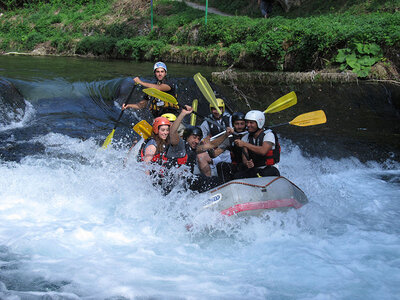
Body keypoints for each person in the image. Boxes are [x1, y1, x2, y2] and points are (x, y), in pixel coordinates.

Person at [168, 105, 234, 193]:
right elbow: (172, 131)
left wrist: (226, 135)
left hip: (187, 181)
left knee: (215, 180)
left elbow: (211, 144)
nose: (196, 141)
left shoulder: (195, 148)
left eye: (198, 138)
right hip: (174, 182)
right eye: (194, 137)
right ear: (187, 137)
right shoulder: (178, 145)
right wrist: (183, 113)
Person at [233, 110, 281, 179]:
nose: (248, 125)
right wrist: (247, 163)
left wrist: (245, 144)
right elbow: (244, 158)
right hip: (255, 169)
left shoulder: (269, 135)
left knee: (263, 174)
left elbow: (263, 151)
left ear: (259, 123)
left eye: (251, 123)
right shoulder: (245, 137)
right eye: (247, 122)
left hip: (270, 169)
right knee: (237, 176)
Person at [199, 98, 232, 176]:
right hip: (214, 152)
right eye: (214, 109)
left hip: (227, 151)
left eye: (219, 108)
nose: (216, 111)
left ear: (223, 109)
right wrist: (204, 141)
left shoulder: (229, 119)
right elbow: (202, 139)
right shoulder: (206, 122)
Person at [214, 112, 248, 182]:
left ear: (246, 124)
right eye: (237, 124)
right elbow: (214, 154)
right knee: (221, 165)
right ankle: (224, 187)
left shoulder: (249, 134)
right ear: (233, 124)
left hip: (250, 166)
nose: (239, 126)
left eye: (242, 124)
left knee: (237, 176)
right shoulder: (230, 137)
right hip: (238, 166)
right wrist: (209, 147)